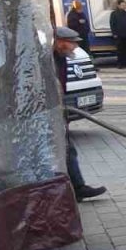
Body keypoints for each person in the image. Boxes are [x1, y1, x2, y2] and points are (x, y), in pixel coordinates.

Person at [52, 26, 106, 201]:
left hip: (58, 112)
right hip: (50, 114)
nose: (75, 48)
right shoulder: (49, 59)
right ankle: (76, 188)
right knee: (67, 151)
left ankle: (76, 188)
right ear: (60, 42)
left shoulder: (62, 57)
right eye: (72, 44)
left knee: (67, 150)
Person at [109, 0, 126, 69]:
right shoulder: (114, 14)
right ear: (118, 5)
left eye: (124, 5)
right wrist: (114, 33)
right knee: (119, 50)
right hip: (118, 35)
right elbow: (112, 24)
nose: (124, 6)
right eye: (122, 5)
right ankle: (119, 64)